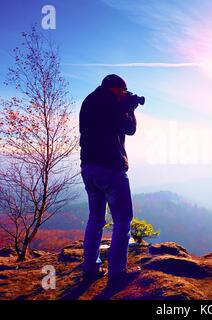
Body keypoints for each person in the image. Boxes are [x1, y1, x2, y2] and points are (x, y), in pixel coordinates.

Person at [79, 74, 139, 283]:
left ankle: (90, 267)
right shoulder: (113, 103)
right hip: (111, 168)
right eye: (123, 90)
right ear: (115, 88)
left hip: (88, 167)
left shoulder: (89, 101)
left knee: (95, 219)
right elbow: (129, 129)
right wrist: (129, 108)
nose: (125, 94)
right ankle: (117, 272)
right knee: (123, 220)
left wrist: (124, 105)